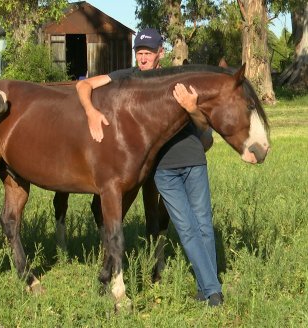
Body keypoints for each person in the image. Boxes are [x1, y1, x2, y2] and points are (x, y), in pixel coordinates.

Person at [75, 28, 223, 307]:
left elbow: (206, 130)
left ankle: (210, 289)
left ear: (160, 54)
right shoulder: (126, 77)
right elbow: (83, 86)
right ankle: (212, 291)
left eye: (148, 53)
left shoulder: (177, 81)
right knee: (188, 228)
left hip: (192, 159)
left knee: (203, 224)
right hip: (161, 166)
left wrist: (192, 108)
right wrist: (90, 112)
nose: (142, 59)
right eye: (139, 53)